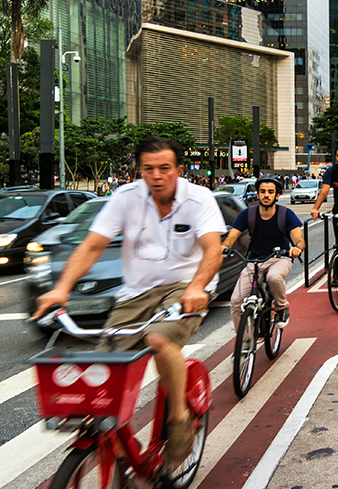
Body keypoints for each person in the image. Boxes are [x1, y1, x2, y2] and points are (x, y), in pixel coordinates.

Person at [32, 137, 226, 462]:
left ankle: (178, 414)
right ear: (140, 171)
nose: (157, 176)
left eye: (165, 168)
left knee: (159, 338)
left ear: (179, 170)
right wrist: (61, 288)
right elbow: (92, 246)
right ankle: (122, 453)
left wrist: (197, 287)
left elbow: (212, 249)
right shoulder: (125, 198)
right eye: (149, 169)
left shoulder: (199, 199)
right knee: (102, 371)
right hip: (134, 295)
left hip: (184, 287)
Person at [223, 176, 304, 329]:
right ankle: (245, 347)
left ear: (277, 195)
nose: (266, 195)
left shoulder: (286, 214)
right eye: (263, 192)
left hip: (280, 259)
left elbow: (299, 239)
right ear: (258, 195)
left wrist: (297, 248)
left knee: (273, 277)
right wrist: (225, 246)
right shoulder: (248, 214)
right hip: (254, 261)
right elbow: (231, 237)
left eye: (270, 192)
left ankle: (281, 307)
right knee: (236, 302)